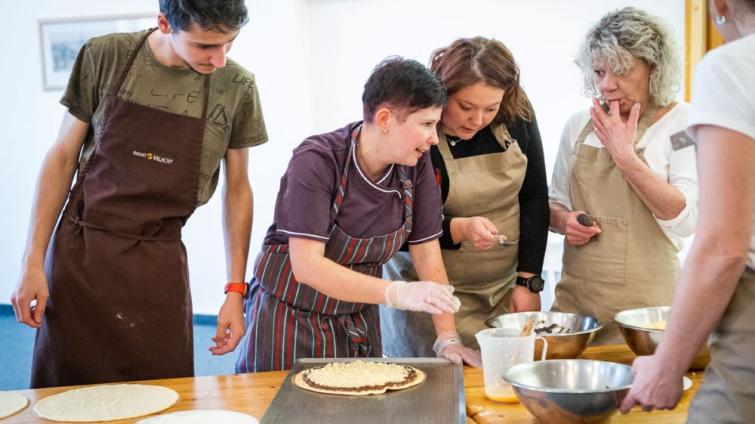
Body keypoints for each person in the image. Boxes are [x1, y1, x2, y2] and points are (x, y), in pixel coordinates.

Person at [10, 0, 267, 388]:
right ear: (164, 23)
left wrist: (236, 290)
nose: (218, 60)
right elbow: (62, 158)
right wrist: (31, 260)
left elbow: (238, 190)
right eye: (204, 47)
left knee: (162, 395)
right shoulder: (106, 56)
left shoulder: (238, 87)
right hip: (82, 258)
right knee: (67, 394)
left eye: (228, 44)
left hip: (159, 265)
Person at [233, 57, 474, 373]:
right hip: (290, 320)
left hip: (358, 321)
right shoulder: (317, 159)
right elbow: (307, 266)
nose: (433, 138)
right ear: (385, 119)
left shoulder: (416, 165)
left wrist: (447, 338)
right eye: (426, 124)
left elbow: (427, 253)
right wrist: (396, 292)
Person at [620, 0, 755, 420]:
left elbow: (721, 247)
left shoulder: (733, 67)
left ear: (719, 6)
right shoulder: (580, 124)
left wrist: (665, 367)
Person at [380, 37, 549, 359]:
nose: (478, 120)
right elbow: (397, 228)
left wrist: (528, 280)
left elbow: (534, 195)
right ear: (442, 94)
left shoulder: (517, 113)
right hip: (428, 298)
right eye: (466, 107)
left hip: (503, 291)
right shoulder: (416, 131)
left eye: (491, 108)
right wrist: (459, 228)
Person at [548, 7, 699, 344]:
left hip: (650, 316)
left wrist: (626, 157)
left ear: (653, 68)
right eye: (599, 71)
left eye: (621, 71)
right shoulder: (578, 125)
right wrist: (564, 221)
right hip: (577, 310)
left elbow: (685, 219)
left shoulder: (684, 125)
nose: (607, 85)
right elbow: (552, 203)